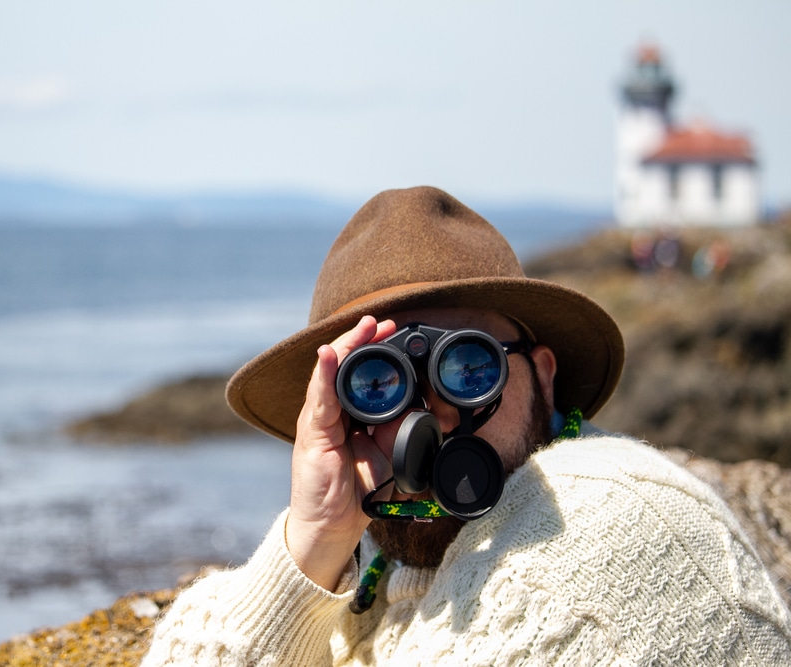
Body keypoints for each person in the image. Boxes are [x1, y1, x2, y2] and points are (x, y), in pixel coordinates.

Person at [140, 186, 791, 665]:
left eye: (468, 365)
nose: (430, 415)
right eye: (378, 382)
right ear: (333, 402)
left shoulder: (597, 524)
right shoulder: (378, 578)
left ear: (543, 374)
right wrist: (317, 537)